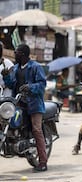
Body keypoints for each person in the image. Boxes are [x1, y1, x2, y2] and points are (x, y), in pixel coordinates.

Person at [2, 44, 48, 172]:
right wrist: (6, 76)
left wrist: (30, 87)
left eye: (16, 52)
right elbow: (11, 84)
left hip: (34, 104)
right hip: (18, 103)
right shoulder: (16, 68)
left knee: (37, 130)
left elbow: (42, 84)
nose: (14, 55)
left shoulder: (36, 67)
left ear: (22, 54)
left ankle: (43, 162)